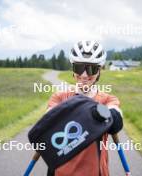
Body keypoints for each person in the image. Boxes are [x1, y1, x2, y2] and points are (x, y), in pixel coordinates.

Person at [47, 40, 123, 176]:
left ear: (99, 71)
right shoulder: (59, 97)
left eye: (91, 69)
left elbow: (116, 121)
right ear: (72, 69)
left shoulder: (107, 100)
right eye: (79, 68)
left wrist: (102, 112)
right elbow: (47, 123)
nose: (84, 75)